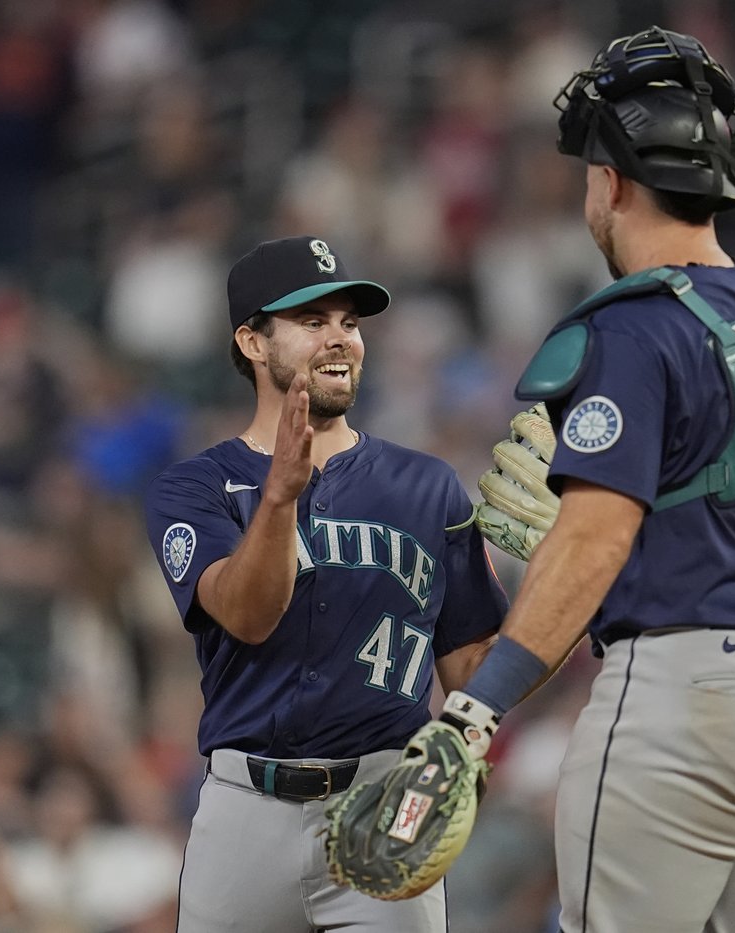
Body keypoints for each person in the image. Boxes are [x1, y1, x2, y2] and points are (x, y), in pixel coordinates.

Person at [424, 27, 735, 933]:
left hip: (692, 697)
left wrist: (475, 710)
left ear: (613, 181)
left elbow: (595, 539)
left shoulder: (635, 327)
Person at [143, 236, 507, 932]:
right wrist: (278, 498)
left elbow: (474, 666)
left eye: (350, 321)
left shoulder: (426, 486)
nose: (340, 338)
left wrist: (570, 588)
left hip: (383, 801)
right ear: (253, 341)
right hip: (245, 810)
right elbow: (246, 615)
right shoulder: (195, 488)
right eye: (313, 322)